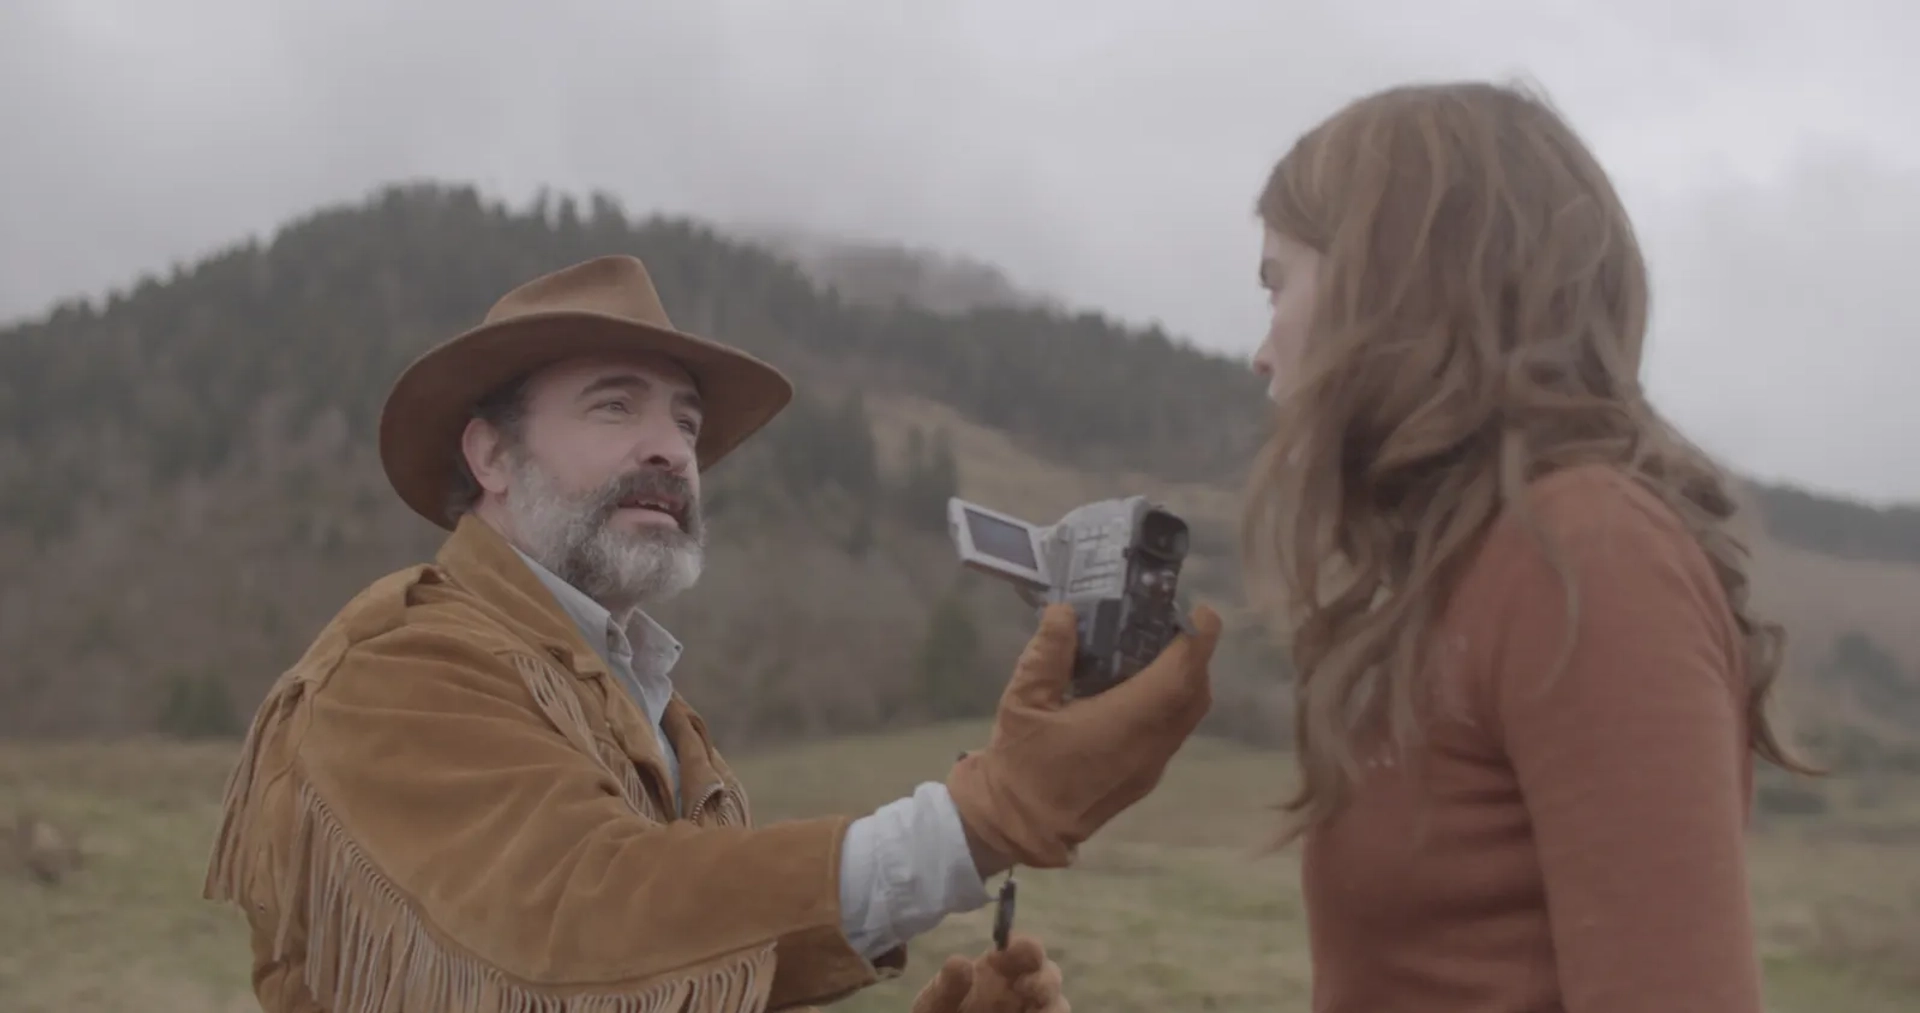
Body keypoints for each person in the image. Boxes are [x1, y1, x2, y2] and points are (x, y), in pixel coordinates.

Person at [202, 253, 1220, 1013]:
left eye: (687, 423)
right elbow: (582, 922)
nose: (670, 448)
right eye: (616, 406)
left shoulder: (646, 700)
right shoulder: (400, 664)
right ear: (491, 456)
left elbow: (687, 970)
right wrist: (976, 820)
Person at [1239, 80, 1816, 1013]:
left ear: (1390, 281)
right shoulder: (1461, 571)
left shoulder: (1588, 557)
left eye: (1278, 282)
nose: (1262, 351)